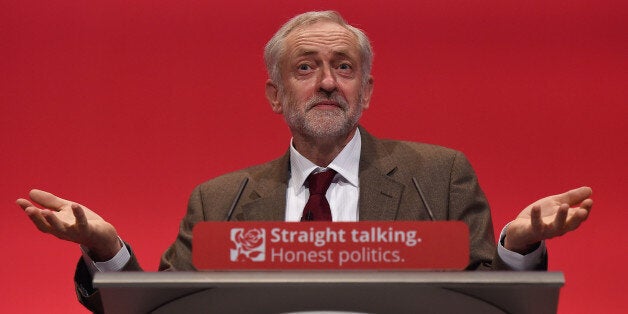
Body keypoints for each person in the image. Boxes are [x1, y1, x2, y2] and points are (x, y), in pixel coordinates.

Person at [16, 10, 593, 313]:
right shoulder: (222, 201)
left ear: (365, 91)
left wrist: (517, 251)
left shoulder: (437, 177)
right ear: (275, 95)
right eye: (305, 68)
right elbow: (166, 308)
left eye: (344, 67)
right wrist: (107, 251)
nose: (326, 82)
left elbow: (486, 304)